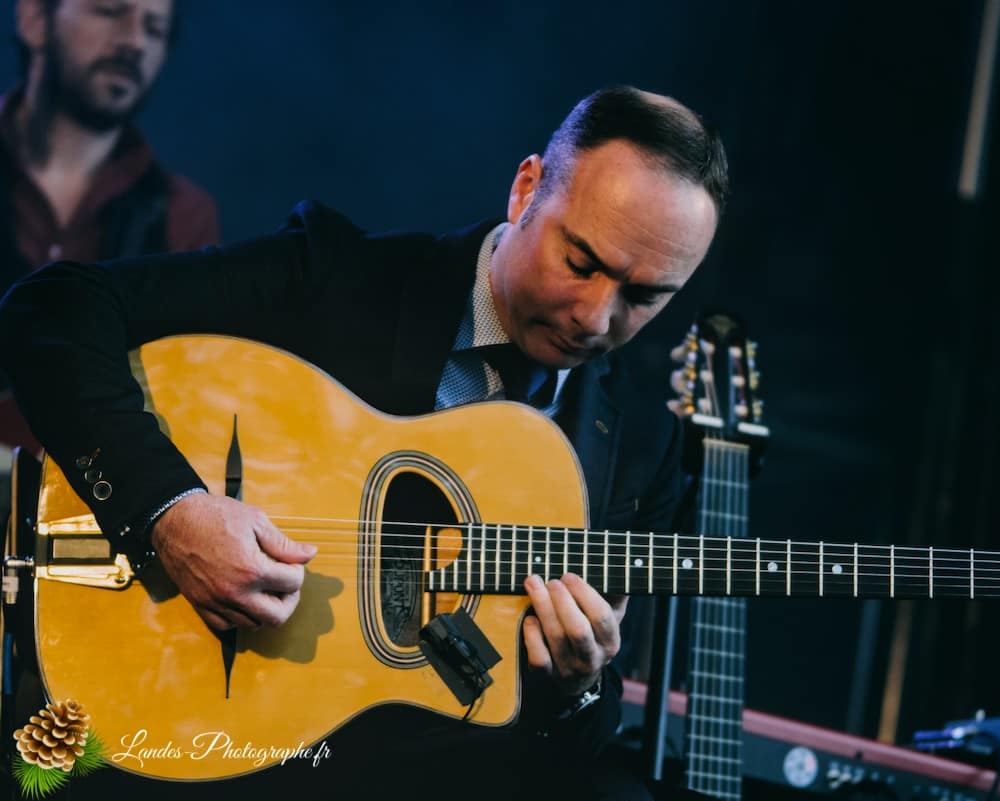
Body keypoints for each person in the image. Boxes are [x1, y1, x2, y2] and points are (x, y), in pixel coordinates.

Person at [0, 85, 727, 798]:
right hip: (214, 733)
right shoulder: (337, 277)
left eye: (643, 296)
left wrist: (575, 686)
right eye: (581, 262)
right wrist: (170, 508)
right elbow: (51, 309)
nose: (595, 317)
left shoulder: (641, 448)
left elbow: (573, 741)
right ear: (526, 189)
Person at [0, 0, 219, 452]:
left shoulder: (183, 215)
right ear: (33, 18)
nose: (135, 41)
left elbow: (186, 407)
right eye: (110, 11)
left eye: (155, 29)